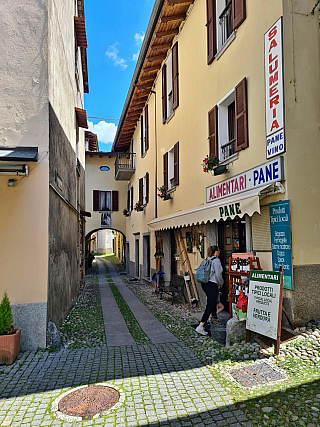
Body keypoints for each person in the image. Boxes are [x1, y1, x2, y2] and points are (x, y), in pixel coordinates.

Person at [196, 245, 224, 336]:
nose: (219, 252)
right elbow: (219, 274)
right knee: (211, 304)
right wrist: (221, 283)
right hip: (212, 284)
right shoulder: (216, 260)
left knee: (212, 302)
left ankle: (211, 318)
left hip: (205, 284)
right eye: (219, 250)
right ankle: (201, 326)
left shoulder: (207, 259)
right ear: (215, 252)